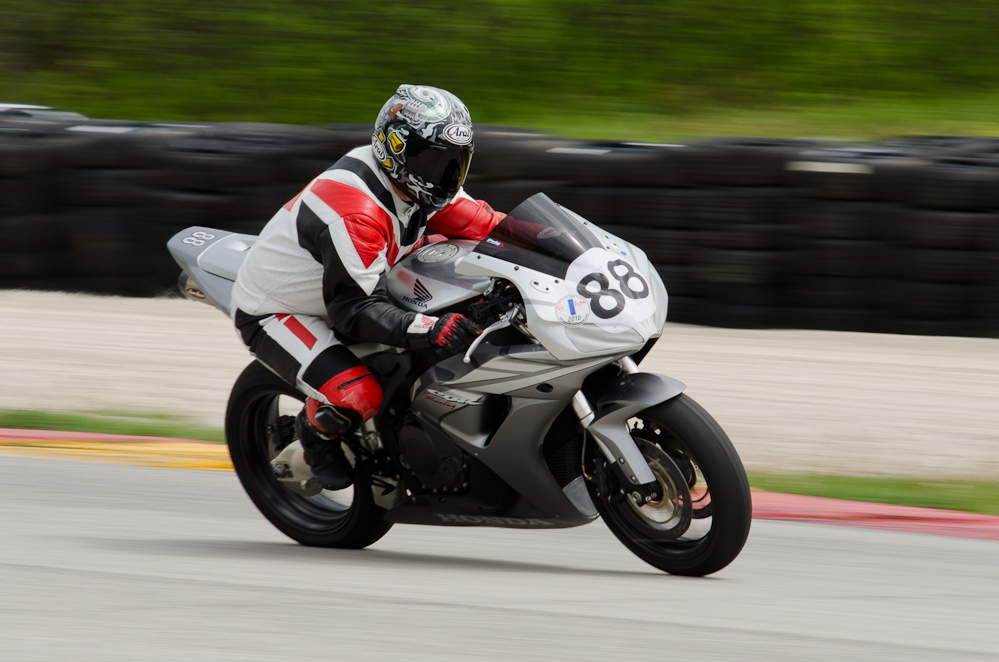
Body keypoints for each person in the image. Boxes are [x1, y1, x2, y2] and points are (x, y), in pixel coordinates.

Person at [229, 85, 505, 490]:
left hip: (361, 277)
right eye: (433, 160)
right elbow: (354, 311)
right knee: (358, 394)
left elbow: (495, 227)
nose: (446, 175)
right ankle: (315, 433)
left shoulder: (423, 185)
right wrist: (430, 328)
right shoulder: (354, 211)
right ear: (397, 150)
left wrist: (570, 251)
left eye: (454, 162)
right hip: (282, 310)